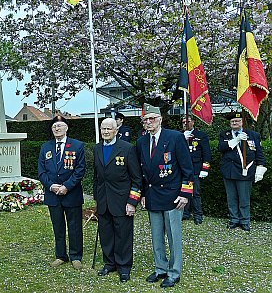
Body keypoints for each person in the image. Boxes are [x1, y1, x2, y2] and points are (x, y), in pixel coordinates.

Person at [136, 105, 194, 288]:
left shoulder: (175, 137)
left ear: (160, 119)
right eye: (145, 120)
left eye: (152, 118)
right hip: (153, 195)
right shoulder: (141, 142)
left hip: (173, 196)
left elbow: (187, 168)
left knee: (173, 237)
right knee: (156, 237)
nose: (148, 122)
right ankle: (160, 268)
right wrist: (143, 193)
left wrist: (185, 193)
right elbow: (143, 171)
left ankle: (174, 272)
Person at [93, 118, 142, 283]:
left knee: (123, 235)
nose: (105, 132)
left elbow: (137, 178)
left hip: (122, 201)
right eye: (103, 129)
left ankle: (124, 267)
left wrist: (132, 202)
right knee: (106, 234)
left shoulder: (127, 148)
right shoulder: (97, 148)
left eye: (109, 129)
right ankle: (109, 263)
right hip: (103, 200)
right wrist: (96, 198)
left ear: (116, 131)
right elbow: (96, 177)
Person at [38, 115, 86, 270]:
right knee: (58, 227)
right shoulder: (45, 147)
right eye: (54, 127)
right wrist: (51, 186)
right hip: (53, 195)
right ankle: (60, 256)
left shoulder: (77, 146)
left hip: (71, 194)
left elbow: (80, 170)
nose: (57, 129)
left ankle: (76, 256)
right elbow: (41, 171)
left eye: (60, 126)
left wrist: (66, 186)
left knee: (75, 227)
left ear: (66, 128)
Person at [218, 112, 266, 231]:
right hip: (229, 171)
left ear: (242, 122)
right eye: (232, 122)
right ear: (230, 123)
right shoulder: (225, 134)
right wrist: (236, 139)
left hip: (245, 171)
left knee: (244, 199)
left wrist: (260, 168)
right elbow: (221, 148)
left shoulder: (253, 135)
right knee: (232, 198)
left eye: (237, 121)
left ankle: (245, 221)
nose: (235, 123)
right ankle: (234, 220)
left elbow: (259, 153)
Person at [181, 115, 211, 225]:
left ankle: (198, 215)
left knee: (195, 193)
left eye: (188, 121)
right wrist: (183, 138)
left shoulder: (201, 135)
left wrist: (205, 168)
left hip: (195, 169)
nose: (185, 124)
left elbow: (206, 153)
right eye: (183, 122)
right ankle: (185, 213)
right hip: (181, 170)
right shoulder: (179, 135)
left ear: (193, 122)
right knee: (183, 192)